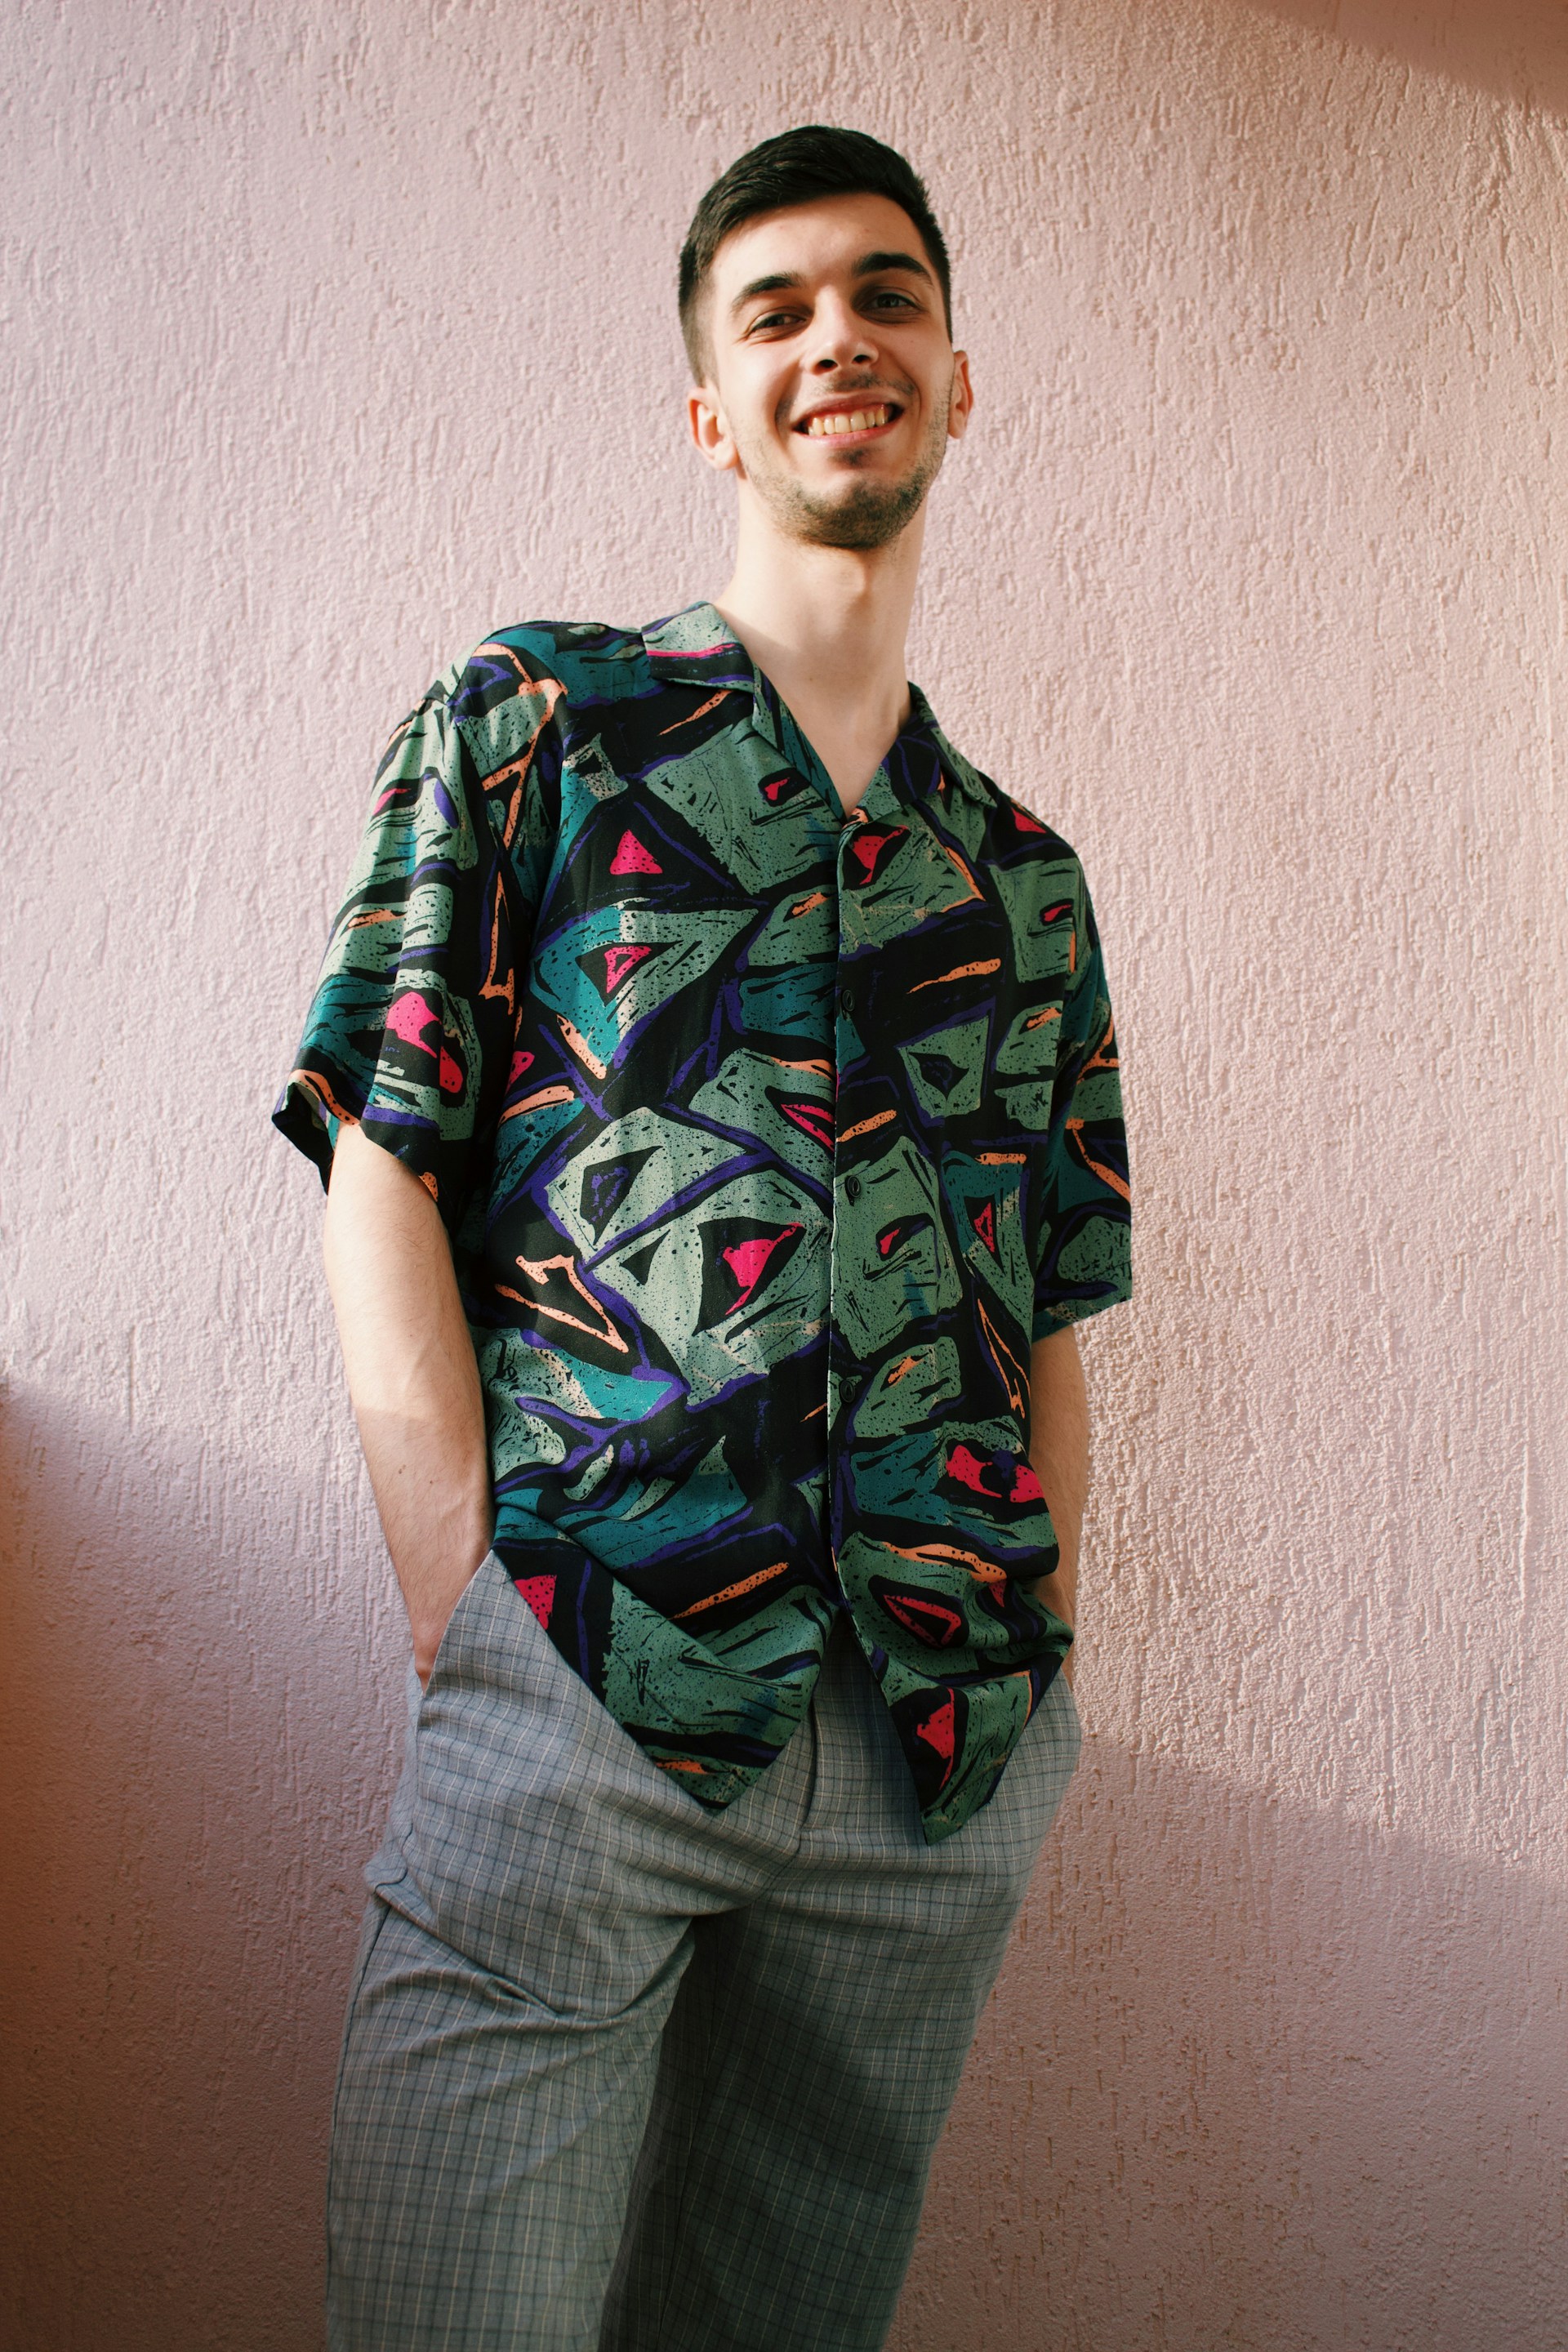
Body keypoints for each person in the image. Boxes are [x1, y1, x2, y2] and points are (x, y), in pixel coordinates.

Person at [275, 123, 1131, 2352]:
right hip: (577, 1670)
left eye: (884, 296)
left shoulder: (1022, 881)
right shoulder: (539, 724)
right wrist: (466, 1597)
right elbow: (386, 1150)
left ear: (958, 379)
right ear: (710, 410)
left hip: (934, 1749)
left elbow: (1049, 1298)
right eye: (776, 312)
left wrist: (1041, 1644)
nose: (836, 336)